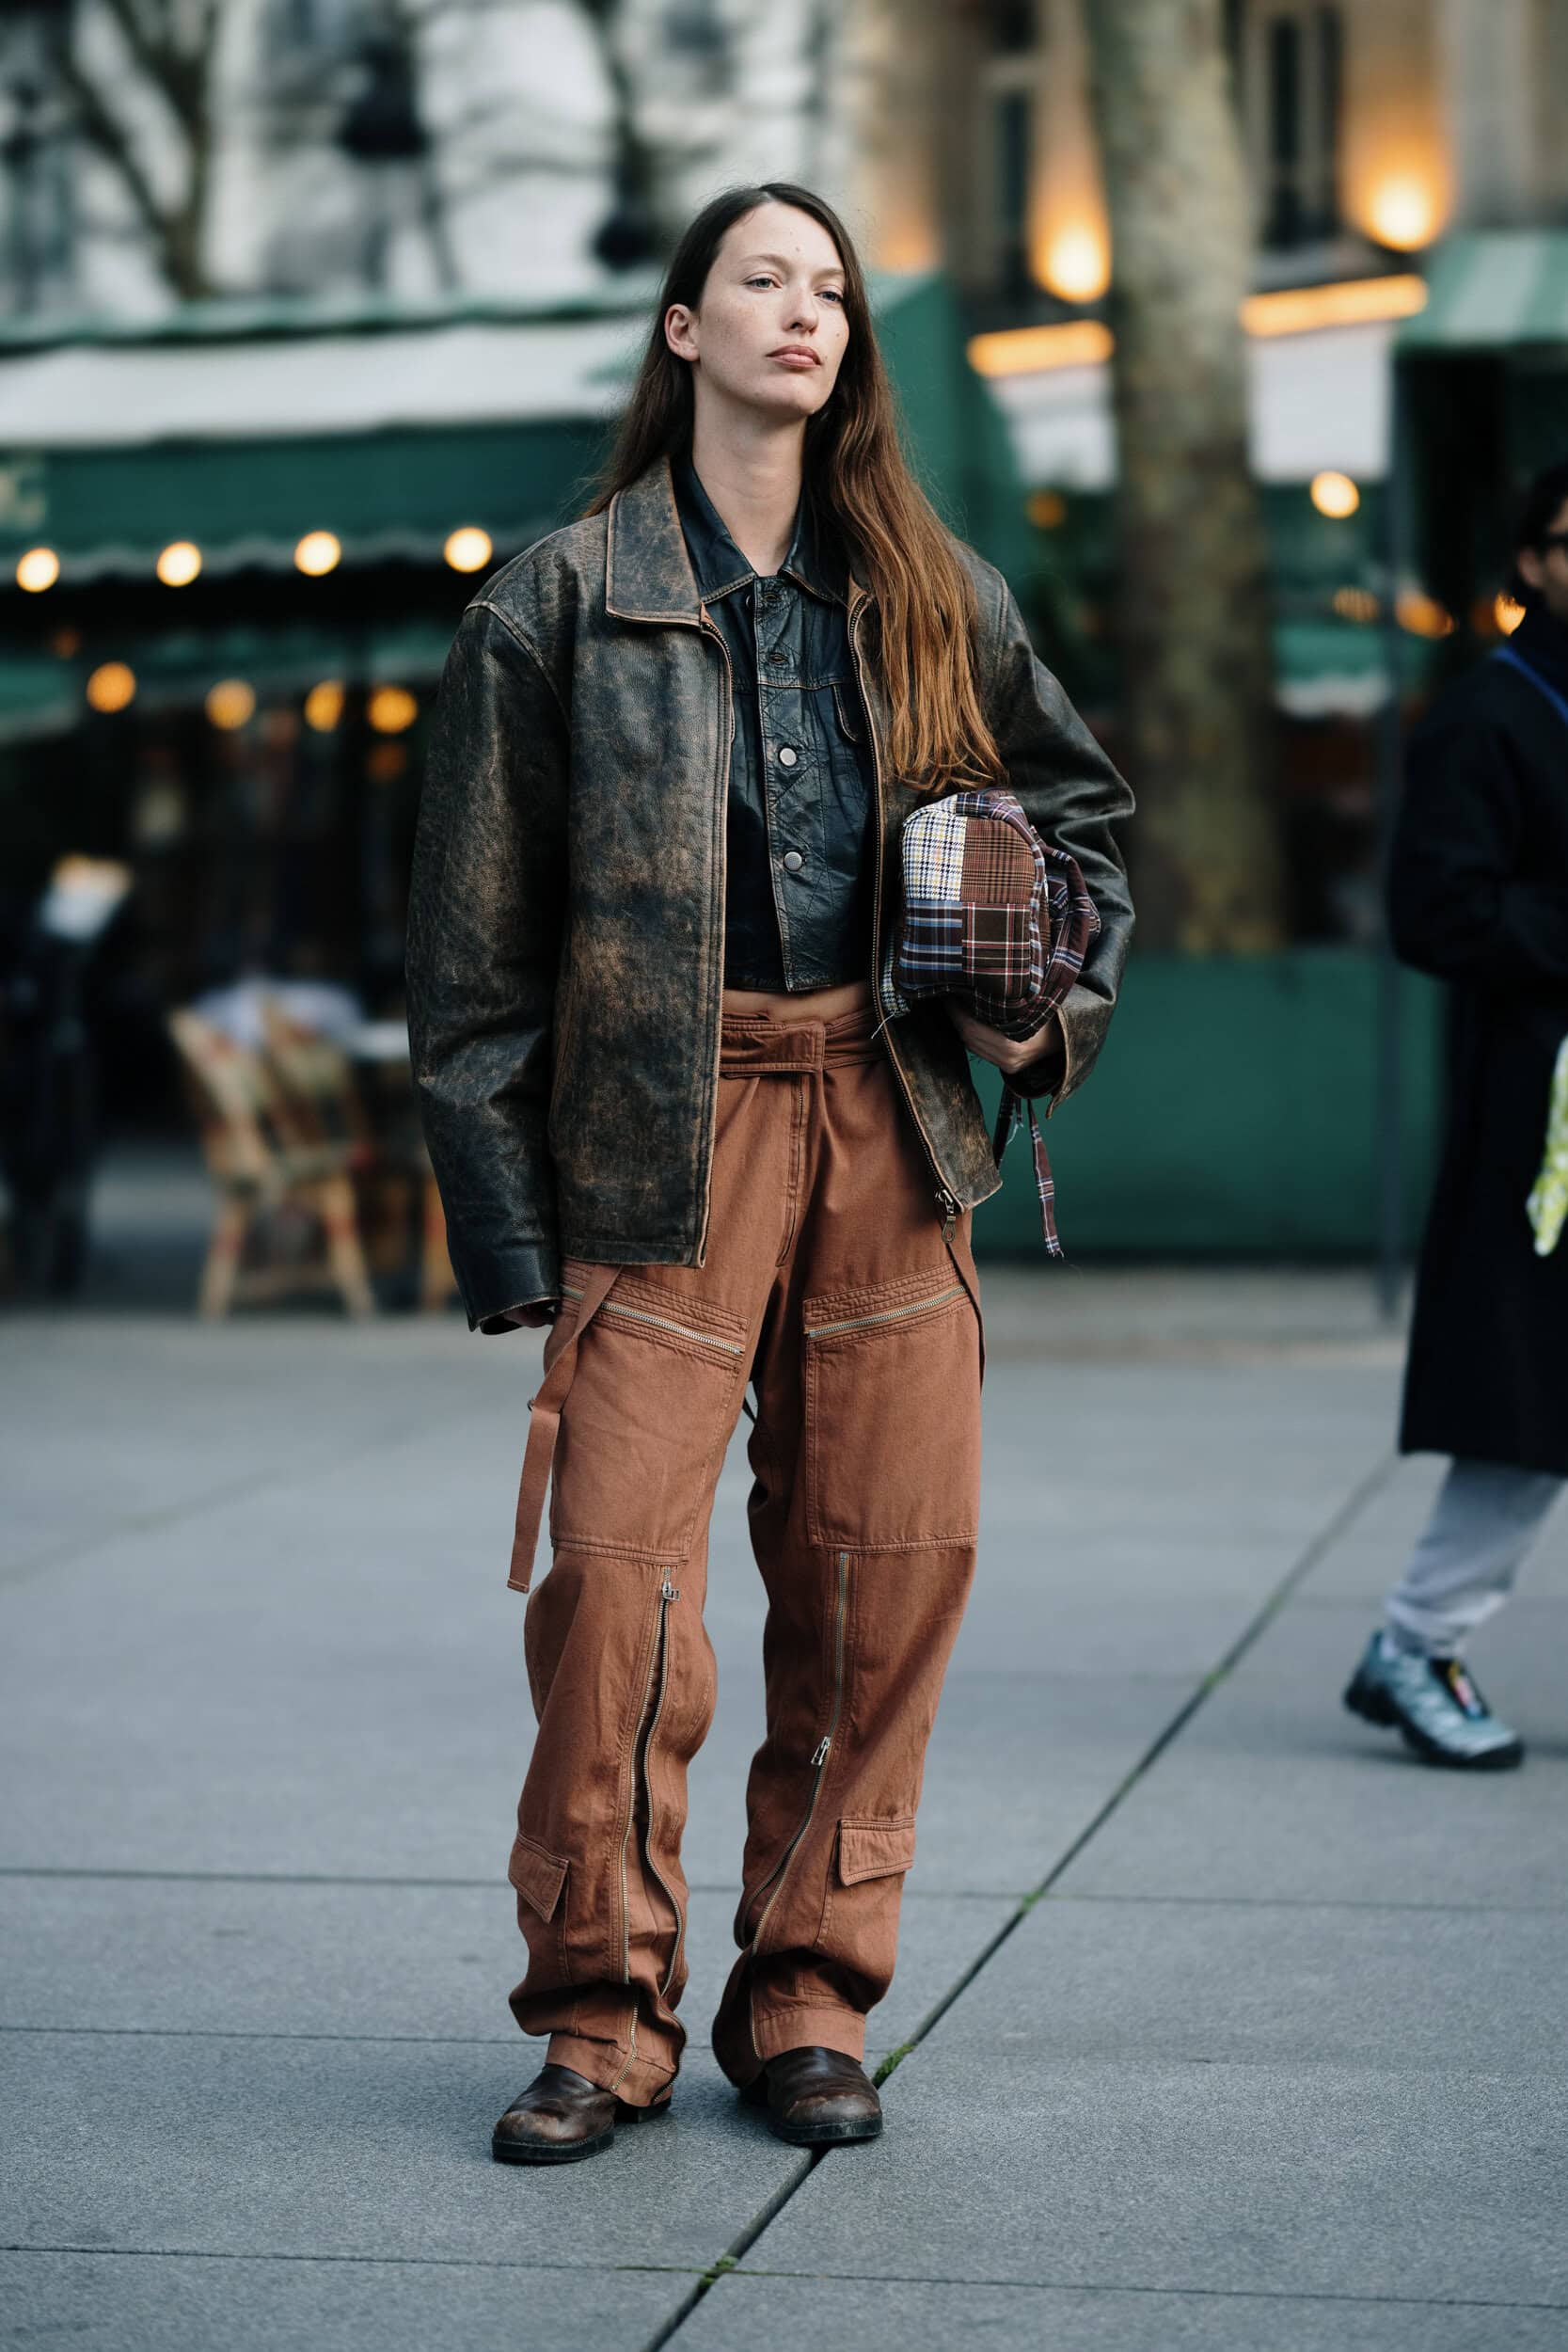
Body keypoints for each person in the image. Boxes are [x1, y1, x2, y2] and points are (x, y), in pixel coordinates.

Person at [405, 182, 1133, 2165]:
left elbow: (1082, 823)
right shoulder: (555, 602)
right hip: (660, 1127)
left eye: (832, 289)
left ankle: (808, 1990)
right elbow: (470, 970)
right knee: (618, 1585)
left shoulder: (933, 588)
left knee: (878, 1581)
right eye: (763, 280)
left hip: (892, 1120)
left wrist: (1038, 1006)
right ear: (682, 329)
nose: (805, 313)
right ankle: (601, 2011)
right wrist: (518, 1247)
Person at [1344, 459, 1568, 1772]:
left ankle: (1416, 1641)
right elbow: (1437, 913)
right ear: (1532, 560)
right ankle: (1416, 1640)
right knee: (1529, 1401)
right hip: (1538, 1121)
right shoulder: (1489, 714)